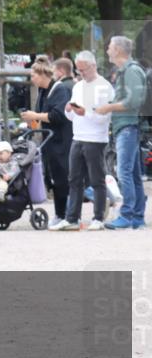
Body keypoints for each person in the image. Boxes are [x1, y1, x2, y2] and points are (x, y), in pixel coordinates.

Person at [95, 35, 148, 229]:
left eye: (109, 47)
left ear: (118, 50)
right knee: (132, 174)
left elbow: (133, 103)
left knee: (124, 172)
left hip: (128, 127)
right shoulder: (126, 71)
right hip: (126, 127)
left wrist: (107, 108)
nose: (107, 50)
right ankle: (137, 217)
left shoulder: (131, 71)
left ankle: (126, 216)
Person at [60, 51, 114, 231]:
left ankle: (98, 217)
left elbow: (105, 117)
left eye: (83, 70)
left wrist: (87, 113)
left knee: (96, 179)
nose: (81, 73)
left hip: (96, 138)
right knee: (74, 179)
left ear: (93, 66)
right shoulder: (77, 87)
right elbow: (70, 116)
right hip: (78, 136)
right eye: (78, 70)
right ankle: (72, 217)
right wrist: (69, 110)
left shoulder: (104, 87)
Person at [21, 59, 73, 226]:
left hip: (62, 141)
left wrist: (35, 116)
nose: (32, 78)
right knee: (53, 177)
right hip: (49, 141)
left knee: (62, 177)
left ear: (43, 74)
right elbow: (40, 117)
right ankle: (60, 213)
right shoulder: (42, 92)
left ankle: (64, 214)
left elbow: (58, 115)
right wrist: (31, 121)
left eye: (33, 75)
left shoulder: (60, 90)